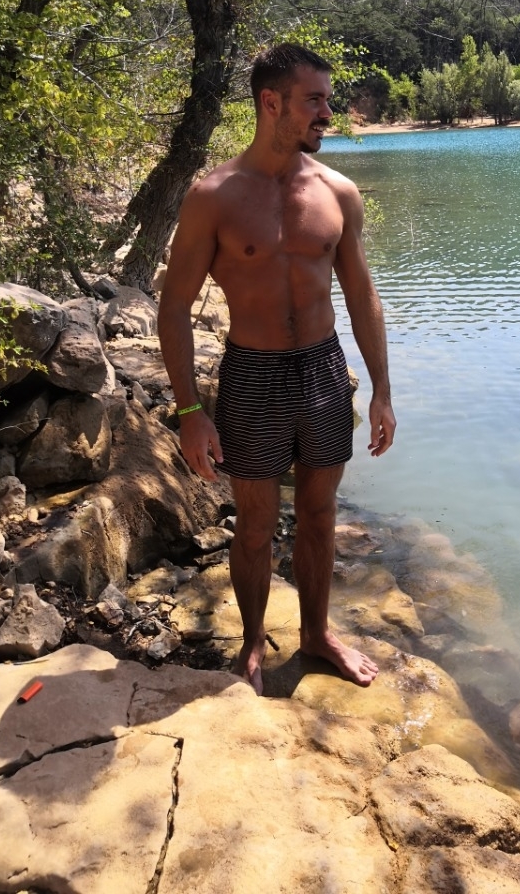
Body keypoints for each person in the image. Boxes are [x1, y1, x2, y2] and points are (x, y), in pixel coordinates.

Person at [157, 43, 396, 695]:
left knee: (320, 512)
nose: (328, 113)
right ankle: (251, 646)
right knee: (256, 522)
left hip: (323, 372)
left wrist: (381, 391)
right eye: (314, 100)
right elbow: (174, 308)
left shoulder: (338, 193)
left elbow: (362, 296)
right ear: (271, 103)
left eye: (327, 100)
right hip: (252, 376)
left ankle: (317, 635)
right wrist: (189, 412)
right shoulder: (213, 196)